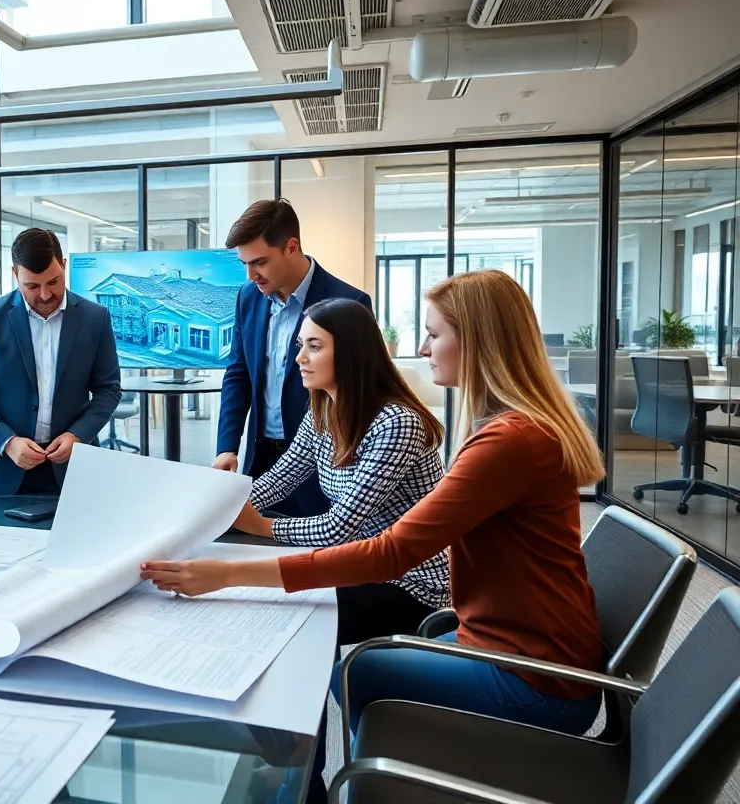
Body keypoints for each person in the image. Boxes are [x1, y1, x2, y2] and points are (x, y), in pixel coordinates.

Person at [144, 269, 605, 745]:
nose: (423, 350)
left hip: (537, 677)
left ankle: (367, 779)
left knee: (351, 673)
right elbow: (275, 485)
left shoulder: (506, 440)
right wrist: (190, 517)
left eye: (433, 334)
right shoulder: (506, 430)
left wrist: (230, 570)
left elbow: (390, 551)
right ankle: (372, 771)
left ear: (480, 342)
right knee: (329, 646)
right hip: (498, 639)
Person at [230, 297, 449, 649]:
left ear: (350, 353)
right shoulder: (324, 407)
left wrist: (261, 526)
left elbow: (338, 527)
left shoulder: (397, 422)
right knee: (247, 544)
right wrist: (220, 507)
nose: (299, 357)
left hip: (409, 584)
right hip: (356, 560)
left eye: (314, 347)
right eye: (301, 345)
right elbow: (278, 480)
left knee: (284, 608)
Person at [215, 198, 372, 517]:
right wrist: (227, 446)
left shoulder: (349, 302)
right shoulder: (248, 298)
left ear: (291, 247)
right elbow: (238, 373)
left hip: (322, 468)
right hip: (260, 459)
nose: (250, 275)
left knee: (314, 559)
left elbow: (356, 391)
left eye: (259, 262)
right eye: (244, 264)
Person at [0, 228, 122, 498]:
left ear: (64, 266)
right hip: (3, 468)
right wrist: (6, 442)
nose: (45, 295)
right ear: (15, 274)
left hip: (73, 467)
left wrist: (78, 436)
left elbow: (109, 389)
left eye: (53, 282)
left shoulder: (96, 318)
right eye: (32, 286)